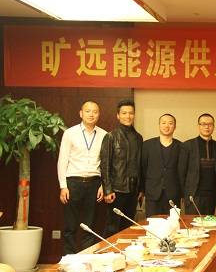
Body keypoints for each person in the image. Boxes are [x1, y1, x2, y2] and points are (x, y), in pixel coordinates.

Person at [57, 100, 106, 254]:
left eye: (95, 111)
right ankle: (69, 258)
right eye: (87, 111)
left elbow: (105, 163)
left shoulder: (104, 135)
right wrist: (63, 186)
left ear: (99, 114)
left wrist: (103, 185)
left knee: (89, 226)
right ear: (81, 113)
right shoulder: (70, 133)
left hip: (94, 184)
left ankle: (86, 258)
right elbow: (62, 160)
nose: (91, 114)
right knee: (70, 225)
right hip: (73, 183)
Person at [100, 99, 143, 237]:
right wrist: (107, 190)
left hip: (133, 190)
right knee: (112, 227)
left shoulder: (138, 138)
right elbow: (105, 165)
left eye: (131, 113)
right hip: (116, 190)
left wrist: (140, 189)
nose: (128, 116)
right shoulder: (111, 136)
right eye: (124, 113)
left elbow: (140, 164)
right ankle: (109, 250)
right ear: (118, 115)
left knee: (128, 227)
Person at [140, 114, 181, 217]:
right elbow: (143, 169)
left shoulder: (181, 147)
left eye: (170, 123)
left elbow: (182, 171)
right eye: (163, 123)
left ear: (175, 127)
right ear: (159, 125)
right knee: (152, 223)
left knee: (173, 223)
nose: (166, 126)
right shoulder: (147, 145)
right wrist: (142, 190)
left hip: (173, 194)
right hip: (152, 194)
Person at [179, 113, 216, 215]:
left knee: (210, 223)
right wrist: (184, 194)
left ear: (213, 126)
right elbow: (181, 172)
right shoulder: (188, 145)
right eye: (203, 124)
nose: (207, 127)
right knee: (193, 223)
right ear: (198, 126)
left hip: (212, 195)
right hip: (194, 195)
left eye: (210, 124)